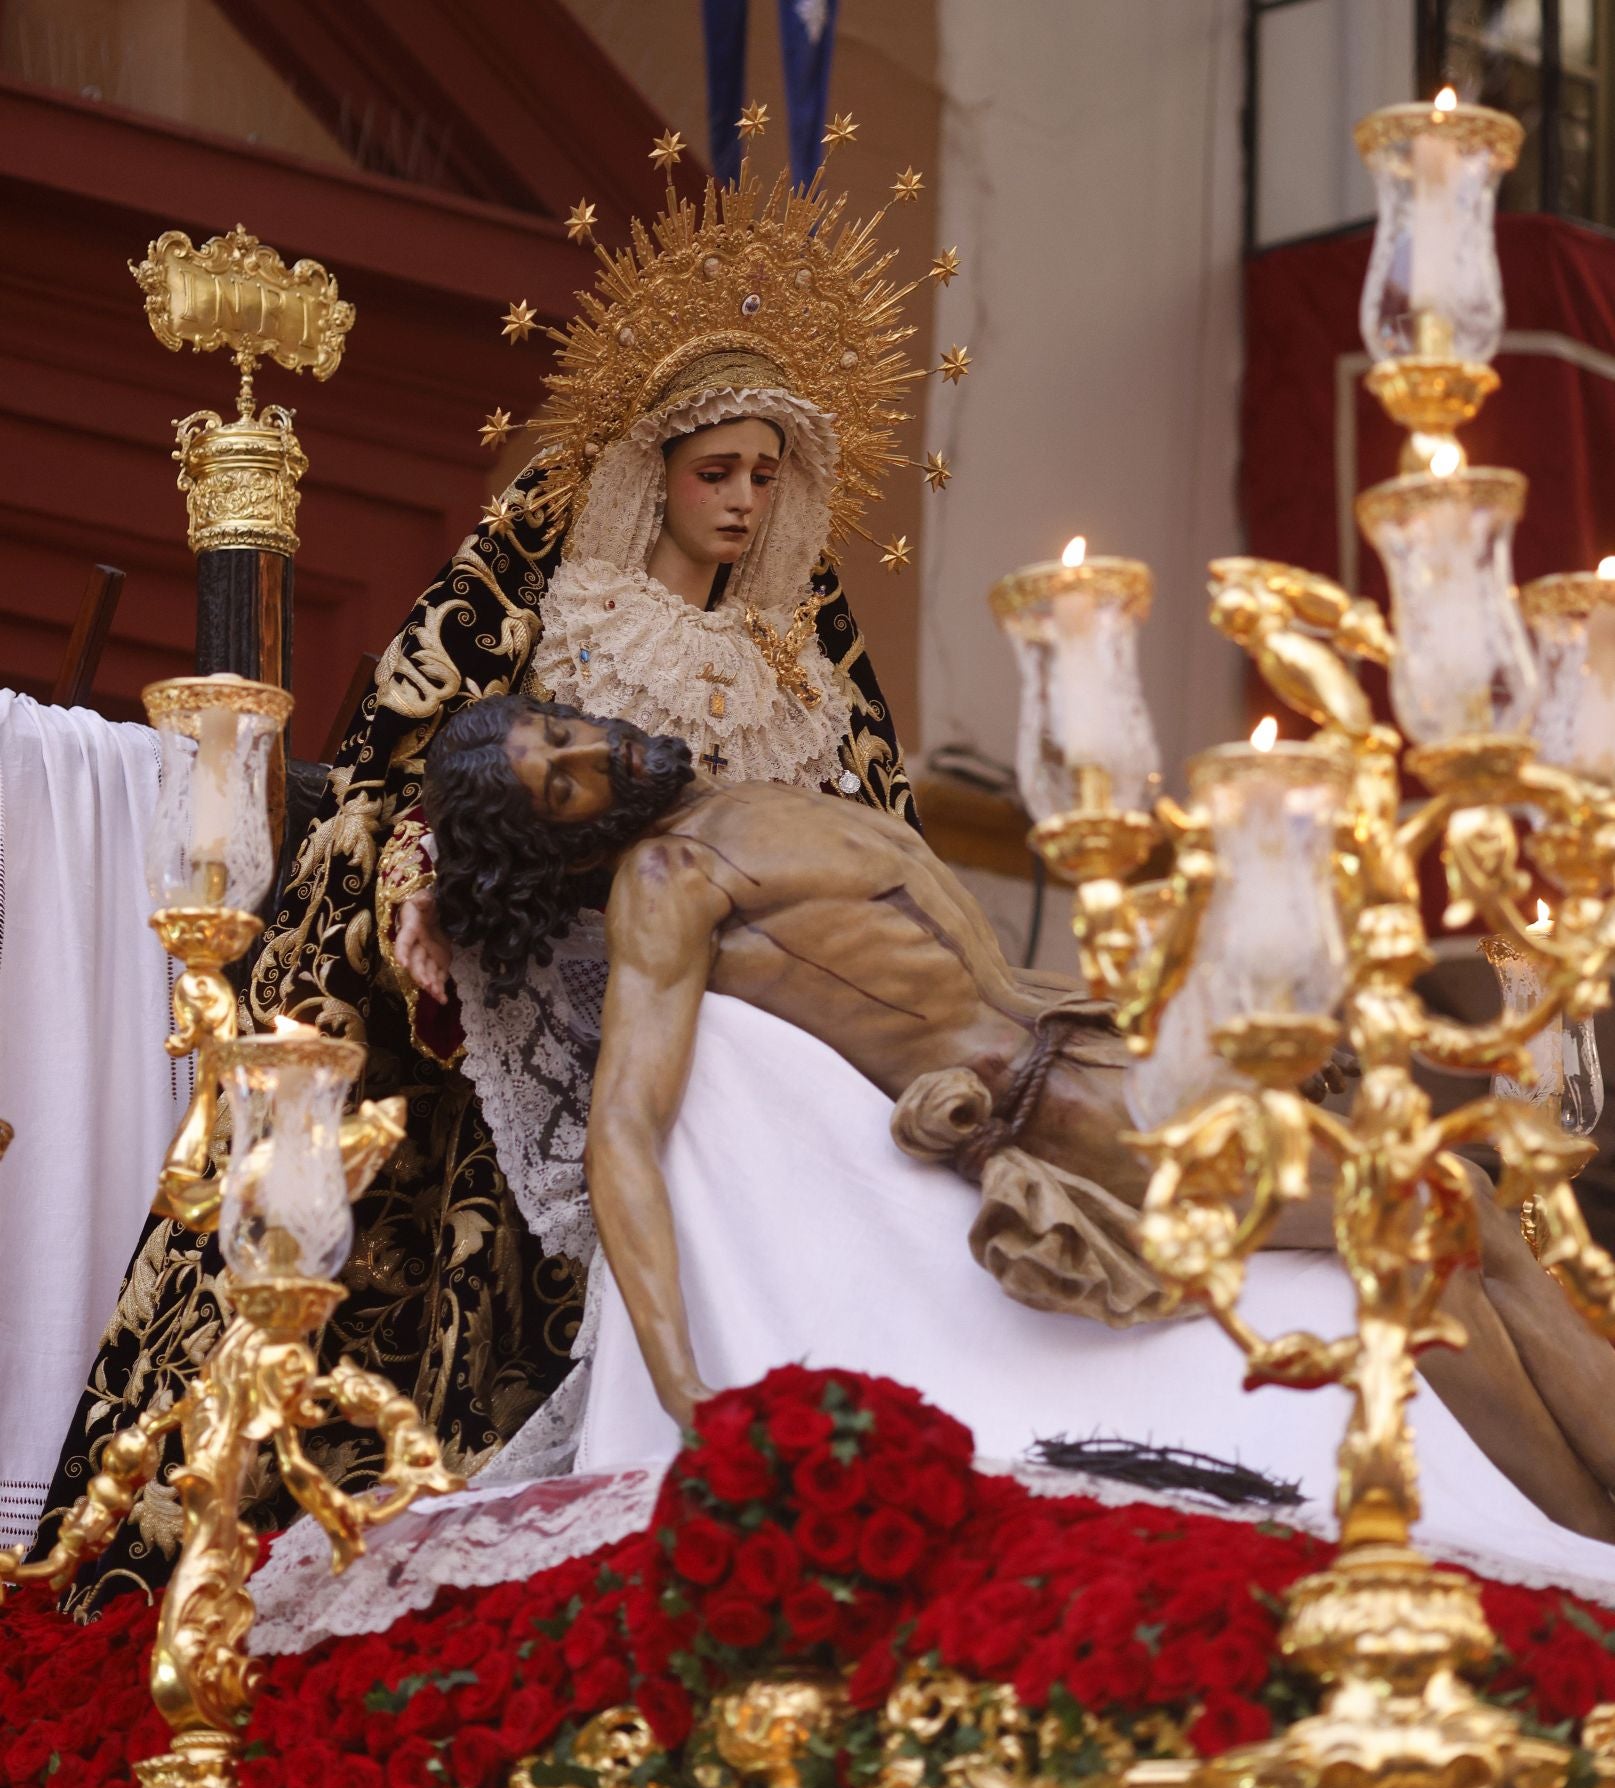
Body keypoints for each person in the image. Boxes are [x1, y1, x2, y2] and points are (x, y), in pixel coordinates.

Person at [36, 148, 932, 1604]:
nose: (743, 504)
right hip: (573, 1000)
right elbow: (421, 771)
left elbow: (869, 836)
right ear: (652, 472)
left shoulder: (803, 665)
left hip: (758, 1015)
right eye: (716, 472)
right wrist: (423, 875)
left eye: (767, 477)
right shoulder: (560, 610)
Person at [423, 695, 1615, 1548]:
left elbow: (988, 973)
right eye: (564, 782)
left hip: (1101, 1052)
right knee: (1426, 1218)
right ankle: (1577, 1549)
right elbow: (625, 1130)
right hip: (1069, 1119)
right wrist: (686, 1391)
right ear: (566, 842)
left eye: (563, 730)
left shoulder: (752, 799)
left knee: (1459, 1216)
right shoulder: (666, 881)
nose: (596, 751)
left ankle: (1585, 1532)